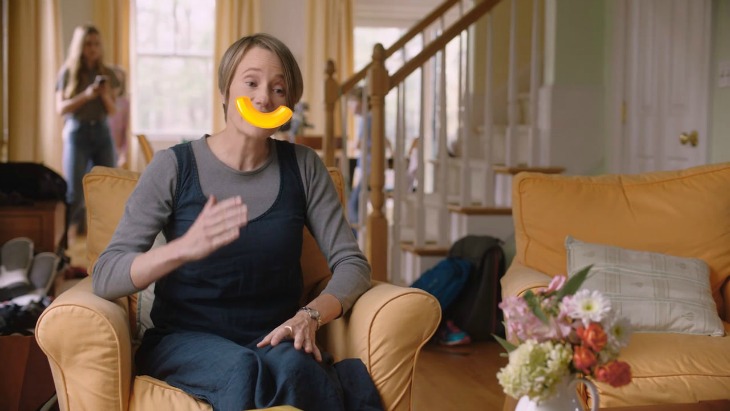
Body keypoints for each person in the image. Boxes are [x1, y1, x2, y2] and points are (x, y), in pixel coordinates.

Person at [92, 33, 381, 411]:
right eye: (251, 83)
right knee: (242, 369)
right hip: (185, 341)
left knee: (298, 370)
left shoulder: (305, 166)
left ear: (289, 104)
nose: (264, 98)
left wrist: (309, 316)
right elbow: (106, 275)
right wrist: (182, 249)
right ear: (225, 91)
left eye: (279, 89)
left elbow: (353, 264)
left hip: (273, 338)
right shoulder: (172, 166)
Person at [56, 24, 119, 236]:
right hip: (77, 133)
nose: (93, 48)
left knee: (107, 188)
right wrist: (86, 95)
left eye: (96, 44)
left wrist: (103, 94)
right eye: (88, 44)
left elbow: (113, 111)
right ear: (80, 46)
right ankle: (64, 241)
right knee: (74, 193)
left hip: (102, 132)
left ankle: (106, 241)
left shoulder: (108, 74)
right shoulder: (68, 73)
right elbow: (60, 108)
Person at [108, 65, 130, 168]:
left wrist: (123, 154)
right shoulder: (102, 101)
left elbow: (125, 130)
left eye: (119, 82)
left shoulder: (125, 103)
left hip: (116, 149)